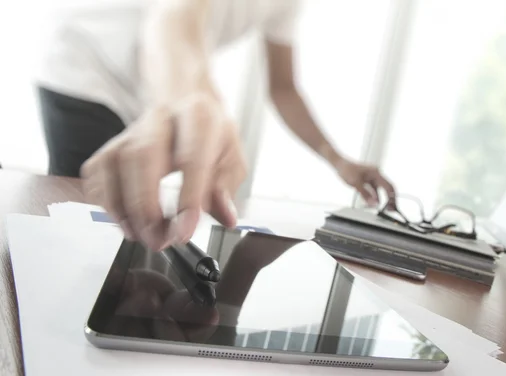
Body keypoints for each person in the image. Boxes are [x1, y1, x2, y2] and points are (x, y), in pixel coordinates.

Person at [37, 0, 396, 251]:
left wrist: (338, 159)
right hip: (88, 66)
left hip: (150, 95)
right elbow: (173, 15)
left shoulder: (288, 4)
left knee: (128, 231)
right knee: (81, 227)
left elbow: (284, 89)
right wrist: (193, 100)